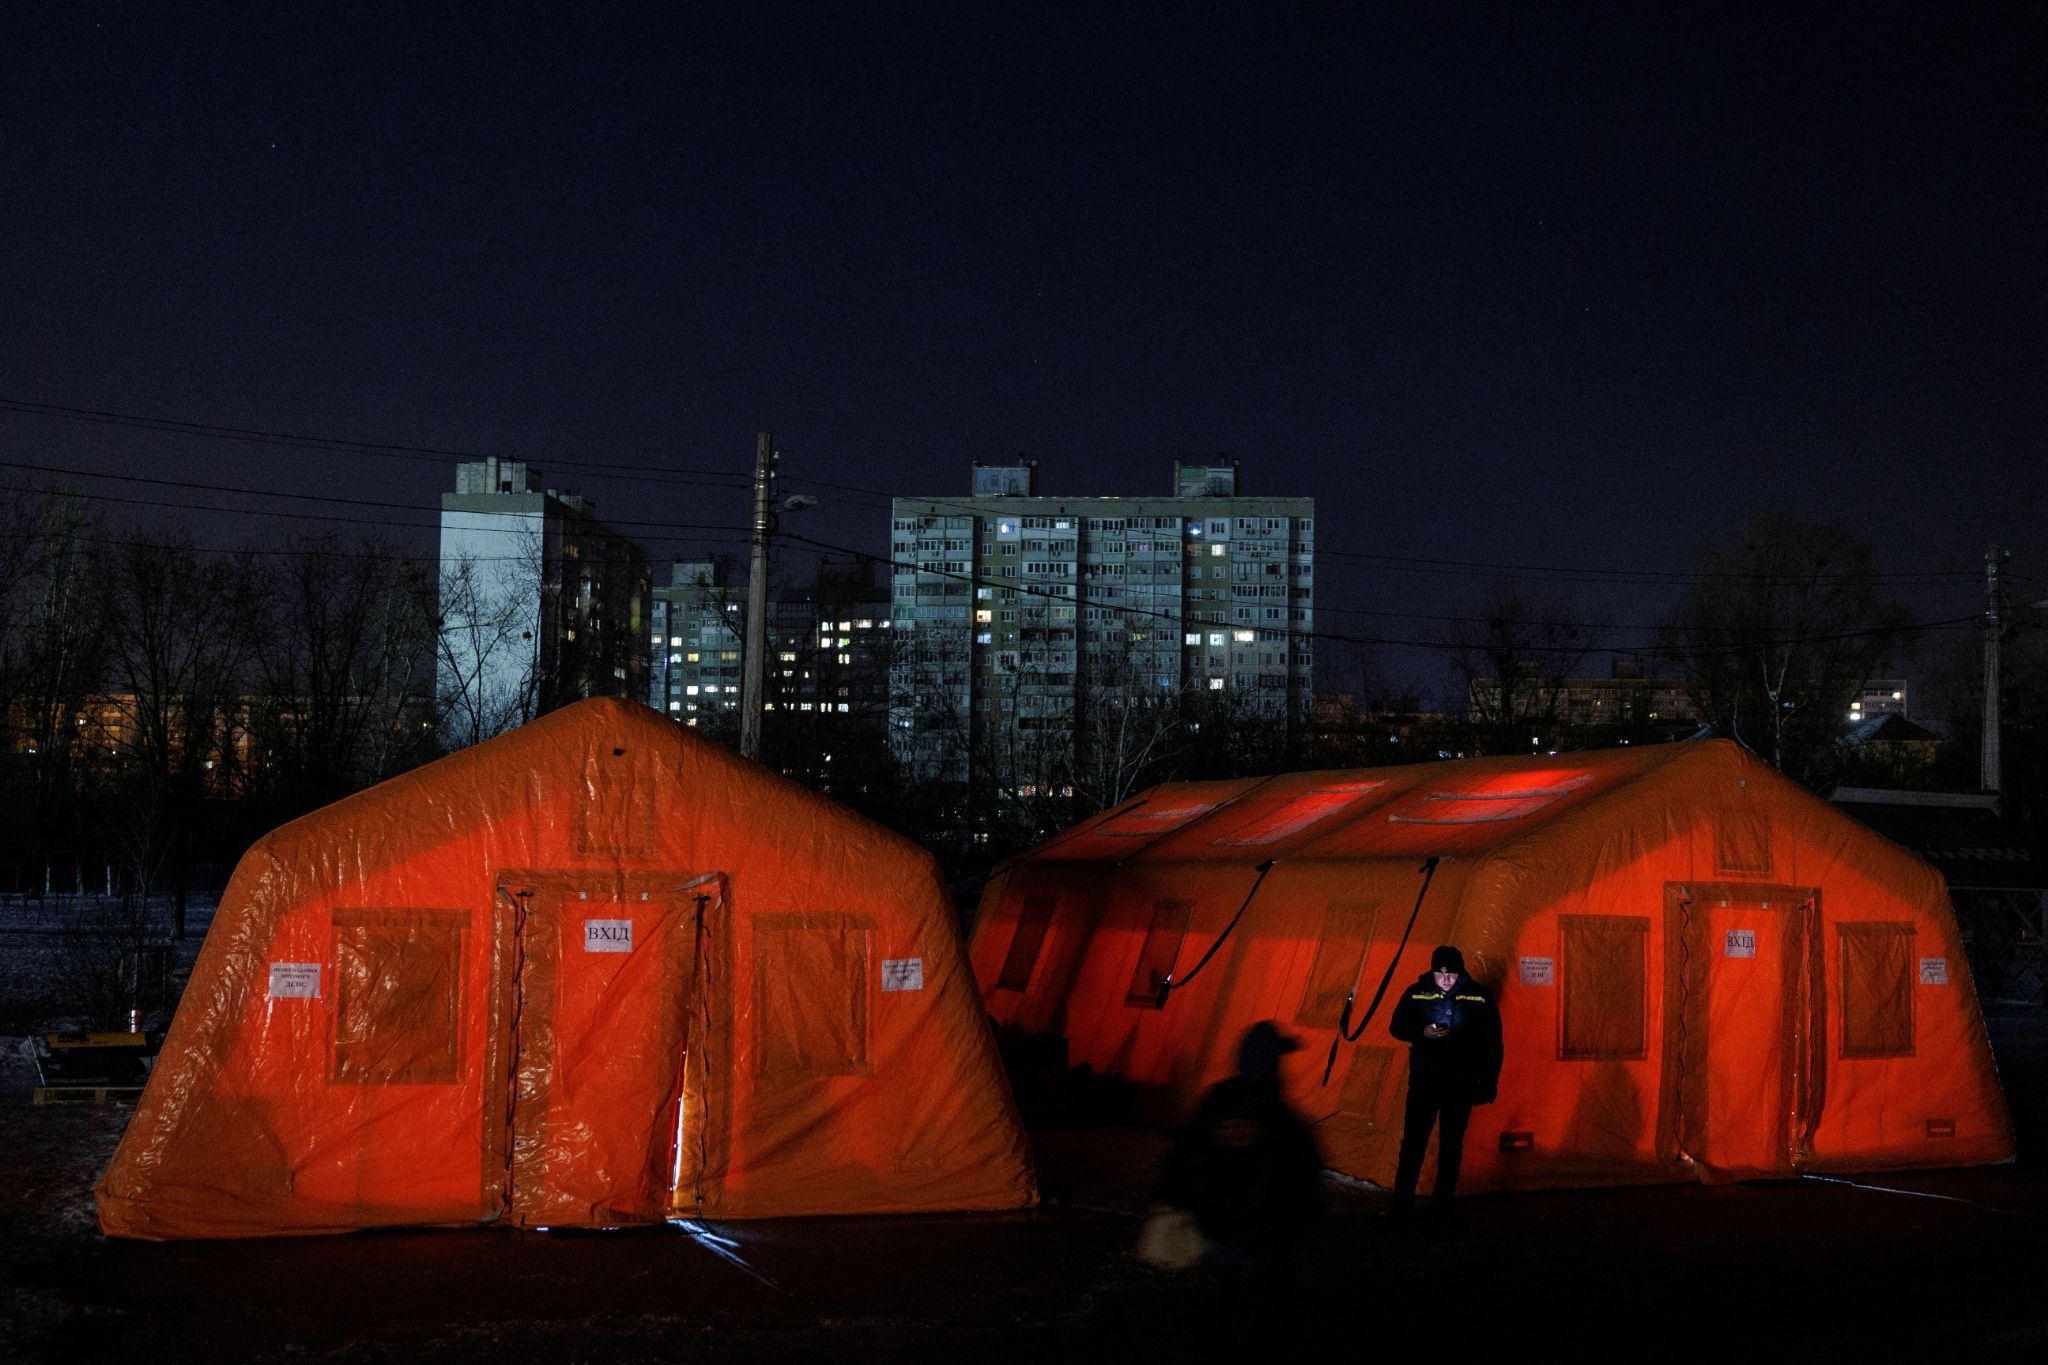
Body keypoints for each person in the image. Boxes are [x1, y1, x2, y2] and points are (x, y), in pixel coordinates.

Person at [1158, 1020, 1323, 1340]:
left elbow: (1184, 1152)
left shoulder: (1220, 1100)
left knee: (1232, 1295)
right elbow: (1303, 1180)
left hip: (1225, 1226)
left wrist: (1178, 1196)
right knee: (1248, 1306)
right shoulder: (1280, 1119)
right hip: (1255, 1233)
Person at [1387, 945, 1502, 1222]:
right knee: (1414, 1142)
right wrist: (1422, 1032)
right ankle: (1402, 1204)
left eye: (1451, 973)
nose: (1447, 979)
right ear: (1433, 970)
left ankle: (1442, 1204)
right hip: (1425, 1082)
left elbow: (1492, 1044)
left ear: (1460, 970)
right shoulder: (1416, 992)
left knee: (1451, 1144)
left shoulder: (1480, 997)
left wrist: (1488, 1082)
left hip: (1461, 1084)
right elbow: (1396, 1027)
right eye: (1441, 973)